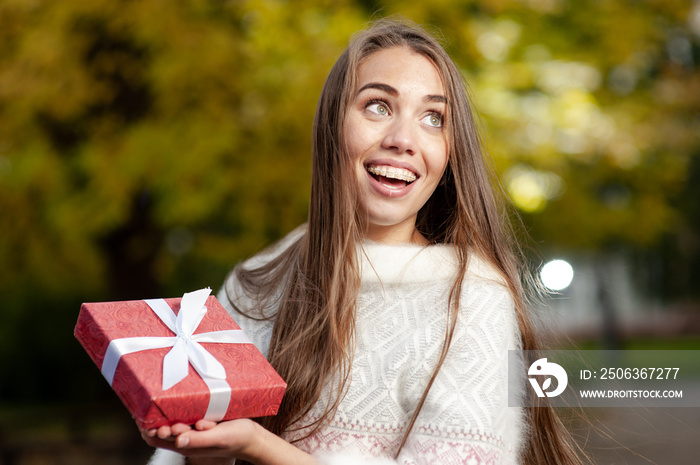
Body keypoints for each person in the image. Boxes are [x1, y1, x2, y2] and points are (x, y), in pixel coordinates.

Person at [142, 17, 582, 465]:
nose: (403, 140)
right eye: (378, 106)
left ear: (450, 154)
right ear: (332, 125)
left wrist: (257, 446)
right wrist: (203, 450)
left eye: (433, 118)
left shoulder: (471, 299)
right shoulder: (255, 283)